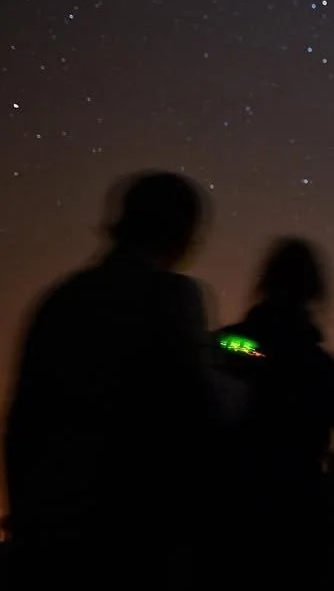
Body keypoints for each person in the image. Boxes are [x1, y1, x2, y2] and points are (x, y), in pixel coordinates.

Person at [3, 171, 215, 590]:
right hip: (132, 540)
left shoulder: (62, 299)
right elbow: (198, 409)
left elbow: (23, 425)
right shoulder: (172, 297)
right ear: (180, 232)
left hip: (51, 538)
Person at [205, 237, 334, 590]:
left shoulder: (233, 343)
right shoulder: (319, 366)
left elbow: (224, 359)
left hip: (225, 515)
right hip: (295, 519)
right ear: (313, 292)